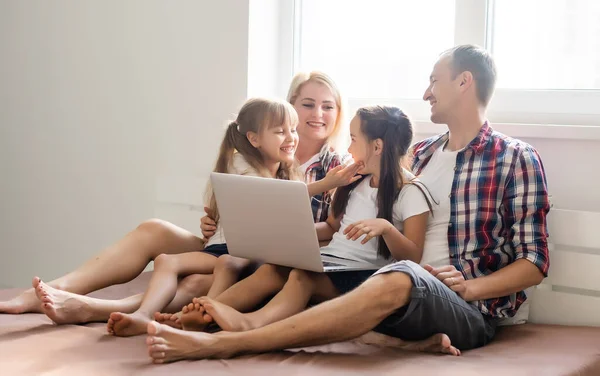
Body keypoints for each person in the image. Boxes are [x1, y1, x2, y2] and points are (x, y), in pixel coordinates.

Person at [144, 44, 551, 363]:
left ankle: (227, 344)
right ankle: (198, 319)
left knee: (399, 275)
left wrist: (471, 286)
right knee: (301, 274)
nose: (426, 92)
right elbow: (357, 212)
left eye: (434, 81)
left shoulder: (514, 157)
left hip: (466, 307)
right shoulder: (419, 154)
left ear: (464, 82)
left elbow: (534, 262)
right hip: (406, 289)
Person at [0, 71, 352, 316]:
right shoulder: (253, 157)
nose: (317, 114)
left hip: (269, 264)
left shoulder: (338, 166)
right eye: (307, 104)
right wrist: (218, 220)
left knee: (204, 276)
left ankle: (94, 309)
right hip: (232, 246)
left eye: (327, 106)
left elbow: (334, 234)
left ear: (337, 114)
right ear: (289, 106)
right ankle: (55, 289)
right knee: (154, 229)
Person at [180, 105, 450, 334]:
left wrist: (387, 229)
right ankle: (205, 311)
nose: (348, 147)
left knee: (302, 278)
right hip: (331, 263)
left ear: (377, 146)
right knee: (272, 269)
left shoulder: (410, 191)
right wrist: (293, 234)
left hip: (364, 275)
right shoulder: (354, 182)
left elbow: (412, 256)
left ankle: (249, 323)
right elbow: (332, 228)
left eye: (354, 139)